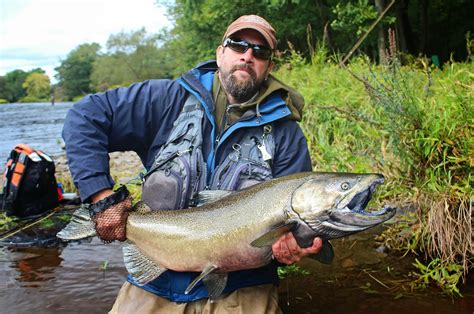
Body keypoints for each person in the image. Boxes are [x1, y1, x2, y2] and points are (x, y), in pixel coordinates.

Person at [62, 14, 322, 313]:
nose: (248, 55)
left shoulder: (286, 133)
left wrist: (292, 245)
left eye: (260, 52)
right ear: (220, 52)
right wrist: (100, 195)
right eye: (238, 45)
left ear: (269, 66)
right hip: (155, 280)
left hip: (244, 288)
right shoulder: (167, 99)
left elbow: (297, 222)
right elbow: (85, 116)